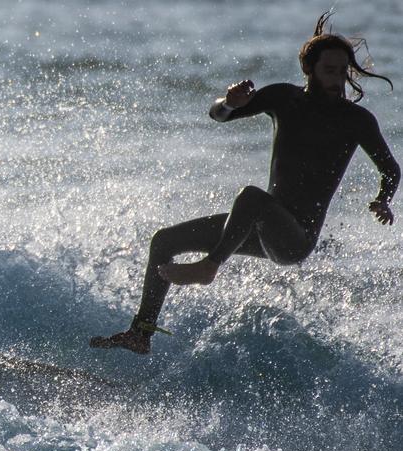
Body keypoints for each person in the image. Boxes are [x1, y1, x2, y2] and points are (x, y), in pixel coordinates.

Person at [89, 12, 400, 355]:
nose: (337, 80)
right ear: (309, 70)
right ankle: (141, 332)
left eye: (343, 72)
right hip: (259, 226)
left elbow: (391, 170)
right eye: (330, 71)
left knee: (252, 198)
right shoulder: (284, 99)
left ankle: (210, 266)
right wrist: (228, 102)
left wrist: (383, 199)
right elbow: (219, 115)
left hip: (296, 237)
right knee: (164, 241)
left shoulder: (356, 120)